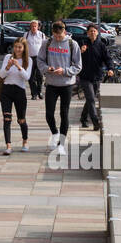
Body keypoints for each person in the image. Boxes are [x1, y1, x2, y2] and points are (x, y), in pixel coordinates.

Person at [37, 20, 83, 154]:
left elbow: (78, 66)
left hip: (66, 84)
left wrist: (64, 71)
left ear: (64, 32)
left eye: (60, 35)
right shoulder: (47, 43)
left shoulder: (72, 44)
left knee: (64, 113)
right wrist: (47, 68)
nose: (57, 38)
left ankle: (61, 144)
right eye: (55, 35)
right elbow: (39, 60)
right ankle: (55, 133)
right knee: (49, 114)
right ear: (52, 33)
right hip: (51, 83)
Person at [79, 22, 113, 131]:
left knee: (90, 99)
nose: (92, 33)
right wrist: (81, 51)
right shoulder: (83, 43)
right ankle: (95, 121)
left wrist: (110, 68)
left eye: (94, 31)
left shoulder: (101, 45)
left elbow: (107, 58)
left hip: (97, 76)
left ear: (97, 32)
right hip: (85, 76)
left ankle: (83, 118)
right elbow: (74, 58)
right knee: (91, 99)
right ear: (87, 33)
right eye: (90, 31)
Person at [0, 37, 30, 155]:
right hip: (7, 90)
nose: (17, 49)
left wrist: (18, 66)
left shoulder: (28, 60)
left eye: (20, 47)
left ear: (24, 48)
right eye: (15, 47)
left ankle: (25, 141)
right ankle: (8, 145)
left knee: (21, 120)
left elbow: (27, 77)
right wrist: (7, 66)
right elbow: (2, 75)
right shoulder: (8, 57)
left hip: (19, 91)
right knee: (7, 119)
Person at [25, 19, 45, 100]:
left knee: (39, 76)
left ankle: (39, 91)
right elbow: (24, 46)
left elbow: (44, 47)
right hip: (29, 58)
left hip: (39, 57)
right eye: (32, 26)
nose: (33, 28)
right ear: (30, 27)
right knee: (30, 76)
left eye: (35, 26)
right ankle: (34, 93)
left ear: (38, 27)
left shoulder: (42, 35)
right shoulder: (26, 35)